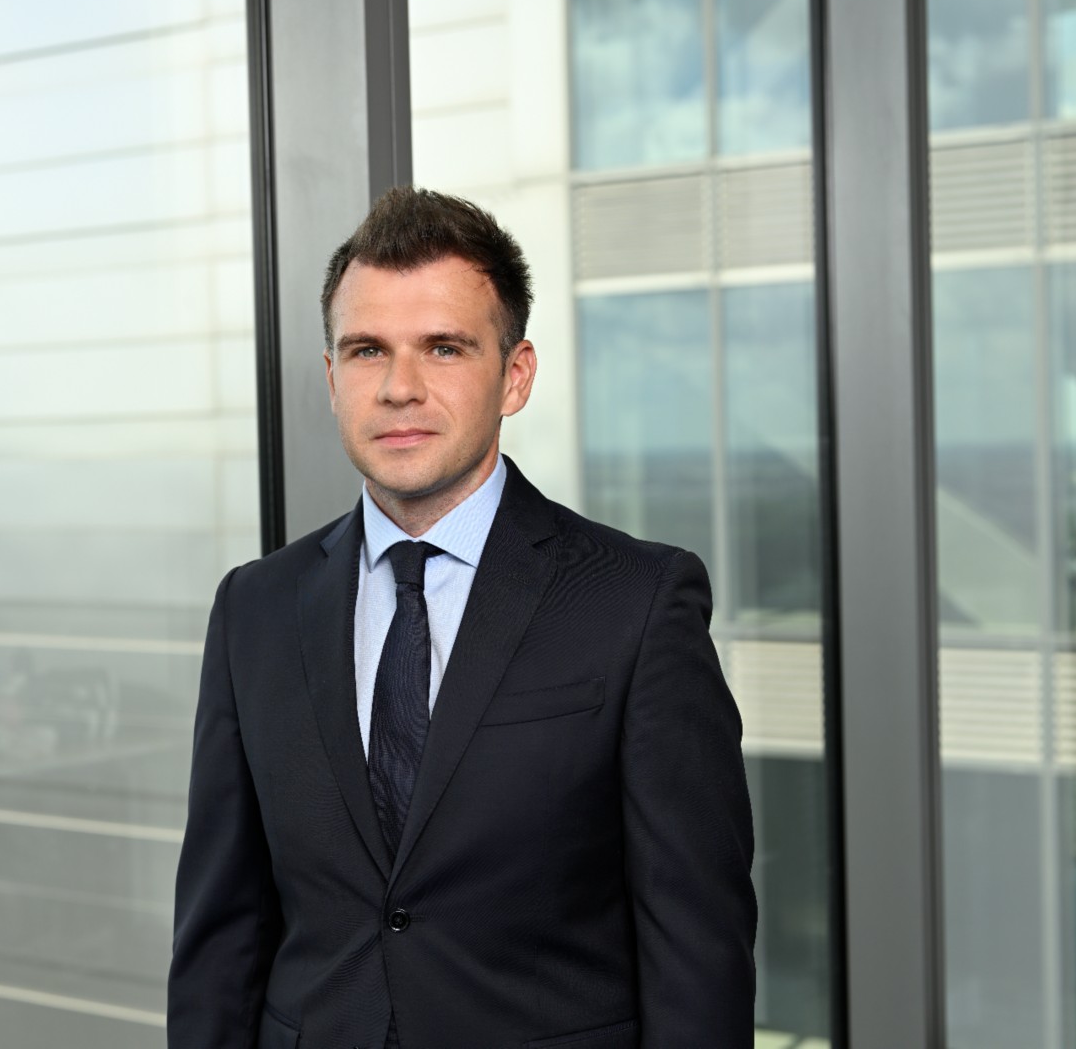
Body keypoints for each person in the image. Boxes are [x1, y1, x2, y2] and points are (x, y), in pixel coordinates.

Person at [168, 187, 756, 1049]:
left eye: (444, 348)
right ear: (332, 379)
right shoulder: (254, 609)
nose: (399, 388)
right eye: (367, 351)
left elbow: (697, 951)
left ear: (515, 376)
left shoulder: (637, 602)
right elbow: (220, 937)